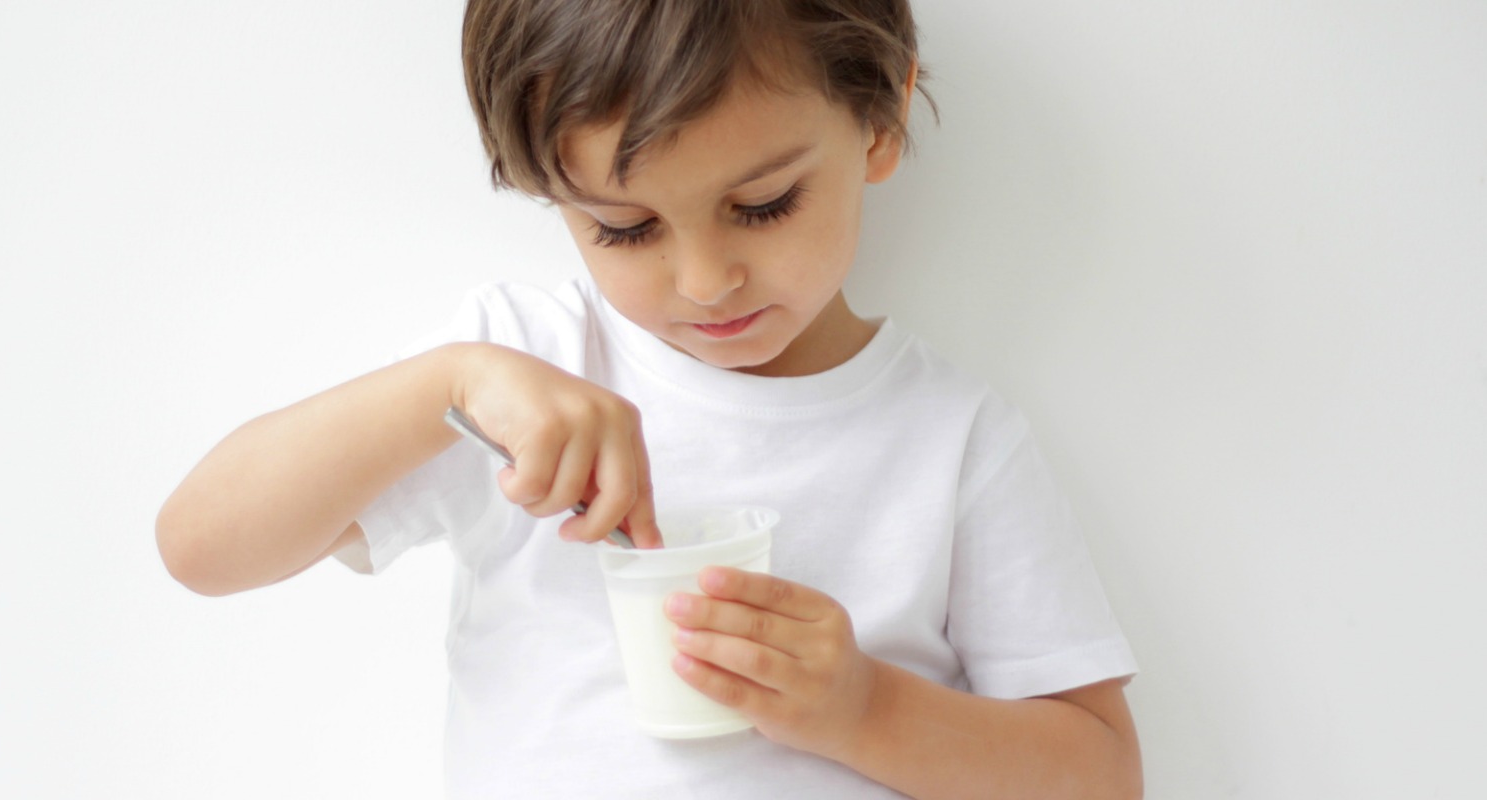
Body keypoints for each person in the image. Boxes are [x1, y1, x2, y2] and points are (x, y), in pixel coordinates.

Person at [156, 1, 1143, 797]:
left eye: (763, 206)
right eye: (626, 228)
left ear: (880, 119)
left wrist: (864, 707)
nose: (707, 279)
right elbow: (200, 545)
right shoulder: (520, 369)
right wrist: (447, 385)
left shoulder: (953, 437)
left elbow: (1100, 774)